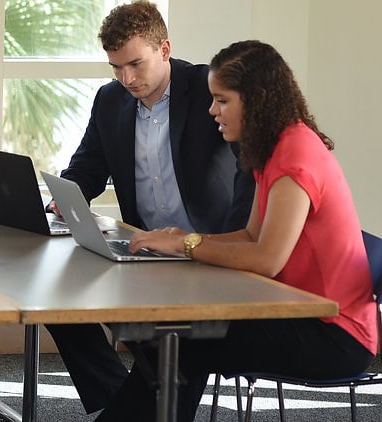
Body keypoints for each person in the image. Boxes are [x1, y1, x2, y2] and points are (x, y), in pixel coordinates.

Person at [96, 40, 377, 421]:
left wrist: (189, 245)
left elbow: (265, 259)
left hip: (332, 333)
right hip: (294, 309)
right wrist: (178, 240)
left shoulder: (296, 156)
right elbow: (249, 237)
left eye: (222, 100)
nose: (213, 110)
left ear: (257, 99)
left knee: (178, 344)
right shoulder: (275, 146)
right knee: (171, 341)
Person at [47, 0, 255, 414]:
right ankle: (121, 401)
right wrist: (66, 194)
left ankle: (137, 408)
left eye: (136, 64)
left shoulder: (208, 91)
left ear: (164, 49)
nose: (126, 78)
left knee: (173, 339)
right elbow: (89, 164)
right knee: (57, 302)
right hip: (145, 248)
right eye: (116, 67)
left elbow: (251, 169)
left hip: (206, 250)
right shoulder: (110, 100)